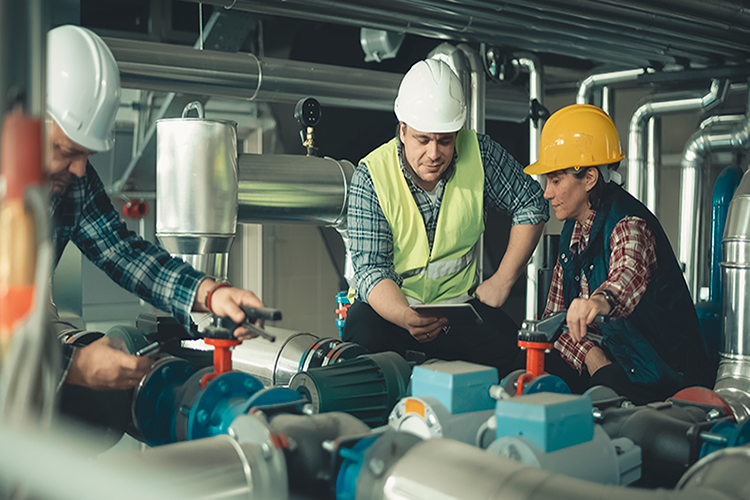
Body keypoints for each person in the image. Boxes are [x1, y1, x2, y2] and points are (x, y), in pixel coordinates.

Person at [45, 25, 263, 437]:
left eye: (85, 156)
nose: (79, 170)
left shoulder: (72, 182)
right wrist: (75, 365)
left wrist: (208, 294)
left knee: (98, 413)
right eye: (67, 151)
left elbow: (121, 251)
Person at [342, 59, 547, 378]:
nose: (435, 153)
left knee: (515, 357)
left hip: (459, 313)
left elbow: (531, 203)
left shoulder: (481, 154)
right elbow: (371, 269)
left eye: (445, 140)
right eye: (423, 140)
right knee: (361, 349)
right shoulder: (371, 177)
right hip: (391, 316)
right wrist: (405, 315)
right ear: (403, 130)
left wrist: (503, 279)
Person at [526, 104, 715, 405]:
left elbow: (625, 281)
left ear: (589, 178)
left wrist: (598, 302)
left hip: (666, 378)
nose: (547, 193)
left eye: (556, 180)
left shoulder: (629, 225)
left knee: (596, 400)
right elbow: (553, 319)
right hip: (617, 362)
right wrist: (592, 357)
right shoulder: (572, 233)